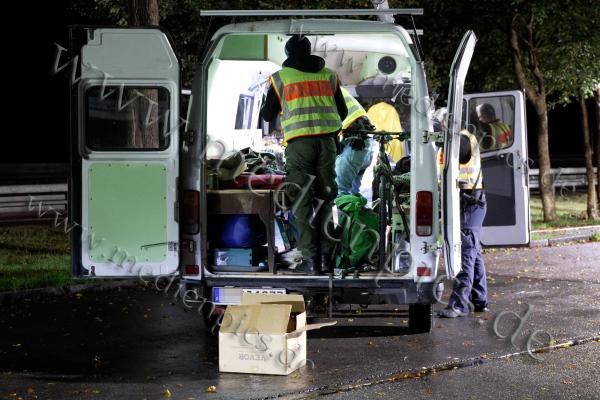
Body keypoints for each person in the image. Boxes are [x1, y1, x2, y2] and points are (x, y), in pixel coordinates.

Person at [261, 34, 348, 275]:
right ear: (309, 51)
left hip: (300, 146)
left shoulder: (281, 78)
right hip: (327, 144)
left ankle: (310, 261)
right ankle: (326, 259)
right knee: (326, 201)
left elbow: (267, 115)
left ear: (288, 54)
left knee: (302, 202)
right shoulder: (329, 76)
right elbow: (342, 112)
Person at [438, 129, 489, 317]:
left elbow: (454, 157)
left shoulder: (461, 139)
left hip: (469, 201)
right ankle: (479, 300)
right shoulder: (463, 136)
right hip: (470, 200)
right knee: (474, 253)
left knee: (466, 253)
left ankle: (459, 305)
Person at [335, 87, 375, 196]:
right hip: (363, 144)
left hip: (353, 145)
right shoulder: (333, 87)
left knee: (340, 193)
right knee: (352, 194)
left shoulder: (323, 91)